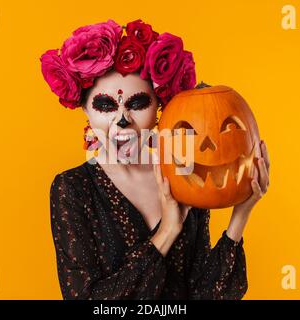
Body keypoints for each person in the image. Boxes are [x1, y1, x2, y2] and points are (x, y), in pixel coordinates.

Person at [41, 19, 270, 300]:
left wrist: (241, 213)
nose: (122, 120)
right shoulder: (72, 189)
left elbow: (204, 294)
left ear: (159, 108)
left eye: (138, 103)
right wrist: (167, 232)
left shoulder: (185, 173)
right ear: (85, 110)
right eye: (105, 105)